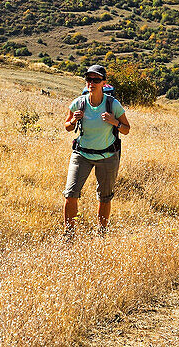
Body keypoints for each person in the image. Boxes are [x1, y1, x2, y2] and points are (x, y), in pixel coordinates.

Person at [62, 64, 130, 236]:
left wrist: (114, 122)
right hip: (81, 155)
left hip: (108, 156)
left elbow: (126, 129)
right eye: (89, 79)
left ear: (103, 83)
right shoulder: (78, 103)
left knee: (105, 197)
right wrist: (73, 121)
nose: (91, 83)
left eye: (96, 80)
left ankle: (102, 234)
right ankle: (69, 235)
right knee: (70, 194)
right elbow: (67, 127)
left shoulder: (112, 104)